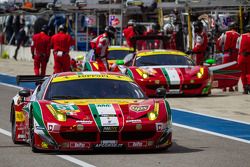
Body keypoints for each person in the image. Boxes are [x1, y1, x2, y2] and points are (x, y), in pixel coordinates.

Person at [218, 22, 240, 92]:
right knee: (233, 70)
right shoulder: (238, 35)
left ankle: (224, 87)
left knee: (225, 70)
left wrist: (221, 50)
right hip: (235, 54)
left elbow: (219, 42)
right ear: (236, 28)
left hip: (226, 54)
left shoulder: (225, 33)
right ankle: (232, 87)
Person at [236, 25, 250, 94]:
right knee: (249, 73)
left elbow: (237, 47)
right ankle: (249, 86)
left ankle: (245, 88)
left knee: (243, 73)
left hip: (242, 56)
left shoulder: (240, 36)